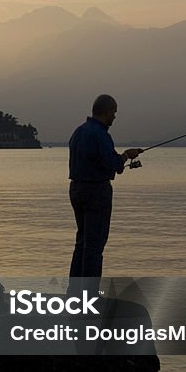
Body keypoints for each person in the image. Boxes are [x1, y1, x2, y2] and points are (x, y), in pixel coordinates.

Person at [68, 94, 142, 281]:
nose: (115, 117)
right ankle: (89, 295)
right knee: (94, 246)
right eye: (114, 112)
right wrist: (126, 155)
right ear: (107, 111)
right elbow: (115, 165)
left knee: (82, 242)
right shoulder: (100, 135)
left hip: (76, 189)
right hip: (96, 192)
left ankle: (75, 293)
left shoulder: (78, 131)